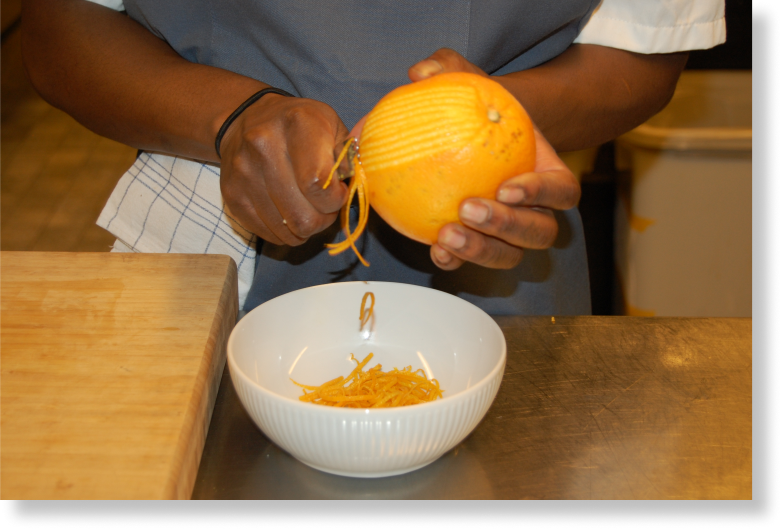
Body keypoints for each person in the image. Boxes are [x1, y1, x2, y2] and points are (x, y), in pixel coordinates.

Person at [21, 0, 725, 315]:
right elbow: (57, 27)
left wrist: (488, 118)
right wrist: (229, 119)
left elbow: (646, 46)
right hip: (205, 245)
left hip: (500, 257)